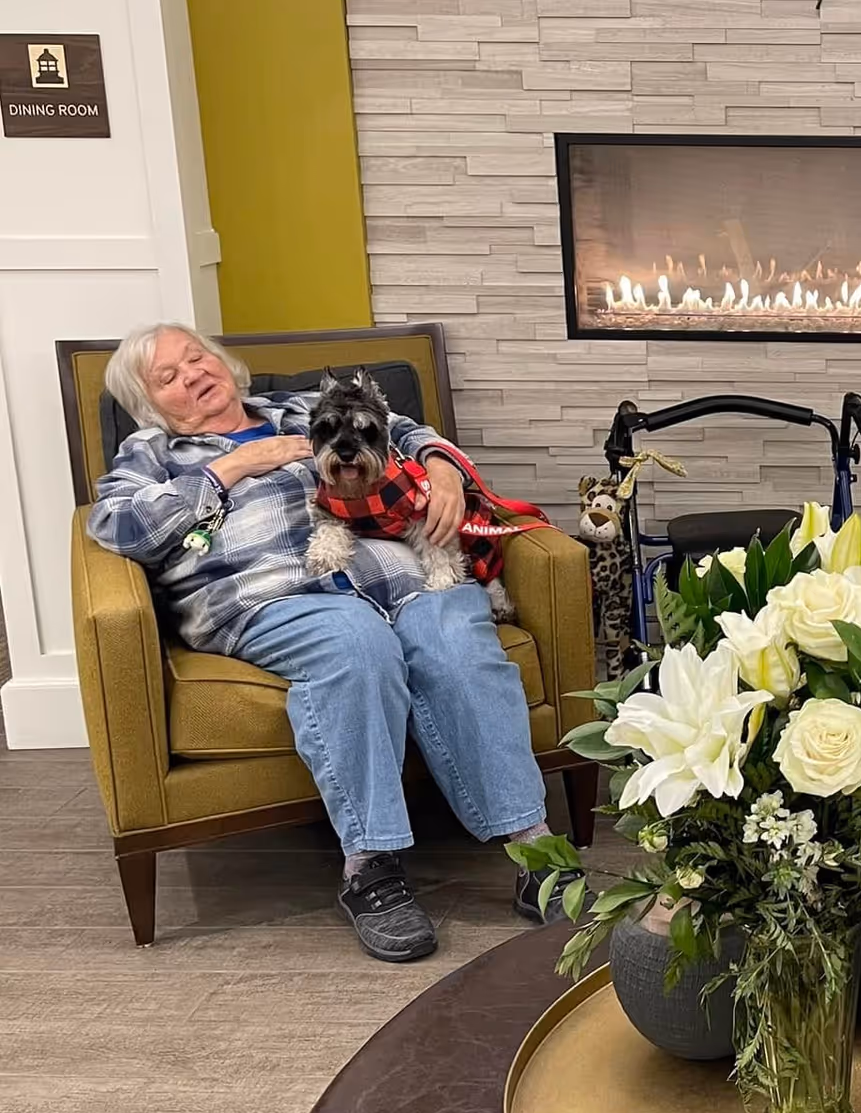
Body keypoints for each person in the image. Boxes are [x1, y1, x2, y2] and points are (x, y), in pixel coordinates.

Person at [87, 323, 582, 963]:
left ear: (223, 361)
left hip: (403, 573)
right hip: (275, 595)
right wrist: (232, 466)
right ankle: (370, 869)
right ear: (150, 403)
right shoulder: (151, 452)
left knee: (458, 640)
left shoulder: (302, 412)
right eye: (169, 377)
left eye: (197, 356)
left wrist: (443, 468)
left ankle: (535, 848)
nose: (193, 373)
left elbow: (410, 432)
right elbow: (115, 525)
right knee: (356, 646)